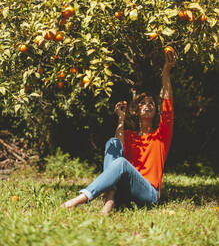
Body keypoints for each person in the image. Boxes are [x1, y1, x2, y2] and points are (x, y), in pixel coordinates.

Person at [61, 51, 176, 215]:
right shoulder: (130, 136)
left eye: (151, 103)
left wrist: (165, 72)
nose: (148, 105)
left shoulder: (161, 136)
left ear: (156, 110)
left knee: (121, 163)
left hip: (148, 194)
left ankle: (79, 200)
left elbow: (168, 104)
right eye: (143, 103)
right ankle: (111, 198)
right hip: (126, 192)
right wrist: (121, 119)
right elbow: (116, 150)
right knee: (113, 143)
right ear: (135, 111)